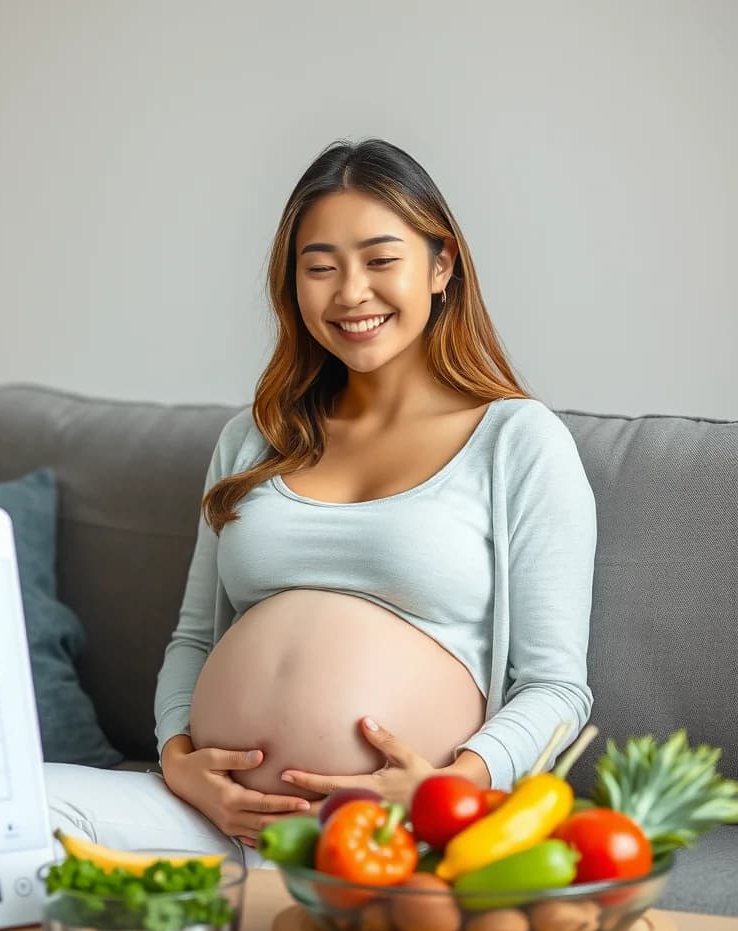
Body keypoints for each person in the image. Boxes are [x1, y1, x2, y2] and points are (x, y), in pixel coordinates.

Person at [45, 138, 597, 866]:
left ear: (441, 266)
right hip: (217, 819)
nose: (350, 293)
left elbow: (558, 688)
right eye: (320, 267)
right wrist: (180, 761)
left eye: (379, 259)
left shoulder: (518, 441)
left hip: (389, 838)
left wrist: (451, 786)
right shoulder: (255, 437)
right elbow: (194, 640)